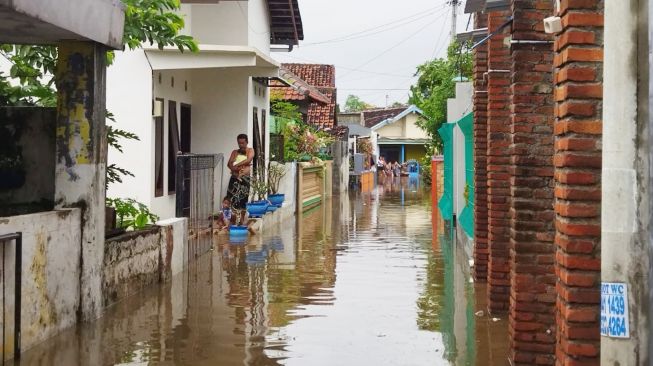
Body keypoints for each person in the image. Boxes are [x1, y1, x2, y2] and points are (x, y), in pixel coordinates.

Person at [227, 134, 255, 225]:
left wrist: (237, 165)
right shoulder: (234, 152)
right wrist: (235, 168)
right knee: (231, 198)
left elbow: (248, 160)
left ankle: (242, 219)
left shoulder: (250, 150)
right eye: (239, 143)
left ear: (247, 142)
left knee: (243, 199)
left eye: (243, 143)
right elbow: (229, 164)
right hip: (234, 178)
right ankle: (231, 219)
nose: (241, 145)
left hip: (245, 179)